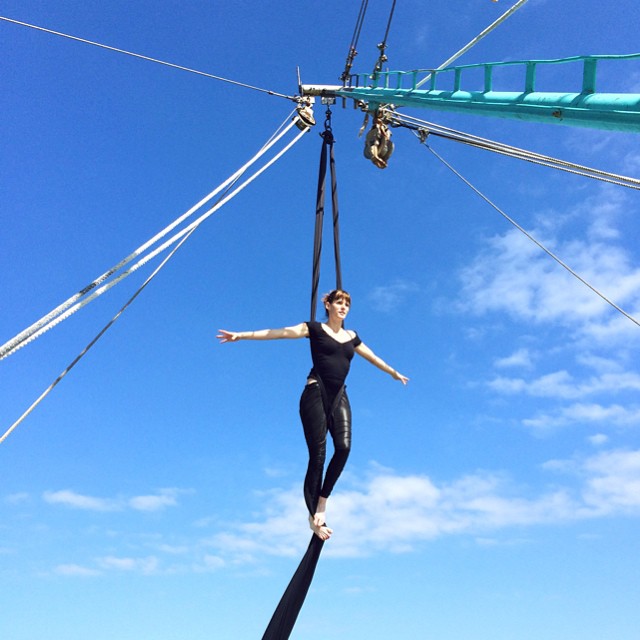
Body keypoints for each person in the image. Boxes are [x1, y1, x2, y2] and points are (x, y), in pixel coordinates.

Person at [217, 289, 408, 541]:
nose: (343, 307)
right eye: (338, 303)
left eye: (347, 304)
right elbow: (279, 333)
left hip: (339, 394)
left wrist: (394, 373)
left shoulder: (352, 337)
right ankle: (313, 517)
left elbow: (373, 358)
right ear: (327, 305)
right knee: (318, 455)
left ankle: (322, 499)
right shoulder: (314, 329)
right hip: (315, 392)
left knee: (344, 448)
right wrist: (241, 335)